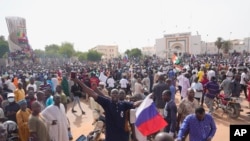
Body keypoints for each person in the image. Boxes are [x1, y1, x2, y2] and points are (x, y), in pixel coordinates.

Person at [74, 78, 141, 141]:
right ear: (110, 95)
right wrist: (78, 81)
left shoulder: (124, 104)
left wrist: (146, 99)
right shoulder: (107, 103)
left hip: (123, 136)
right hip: (111, 137)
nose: (115, 94)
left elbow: (135, 104)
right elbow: (92, 93)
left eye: (116, 93)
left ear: (118, 95)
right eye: (113, 93)